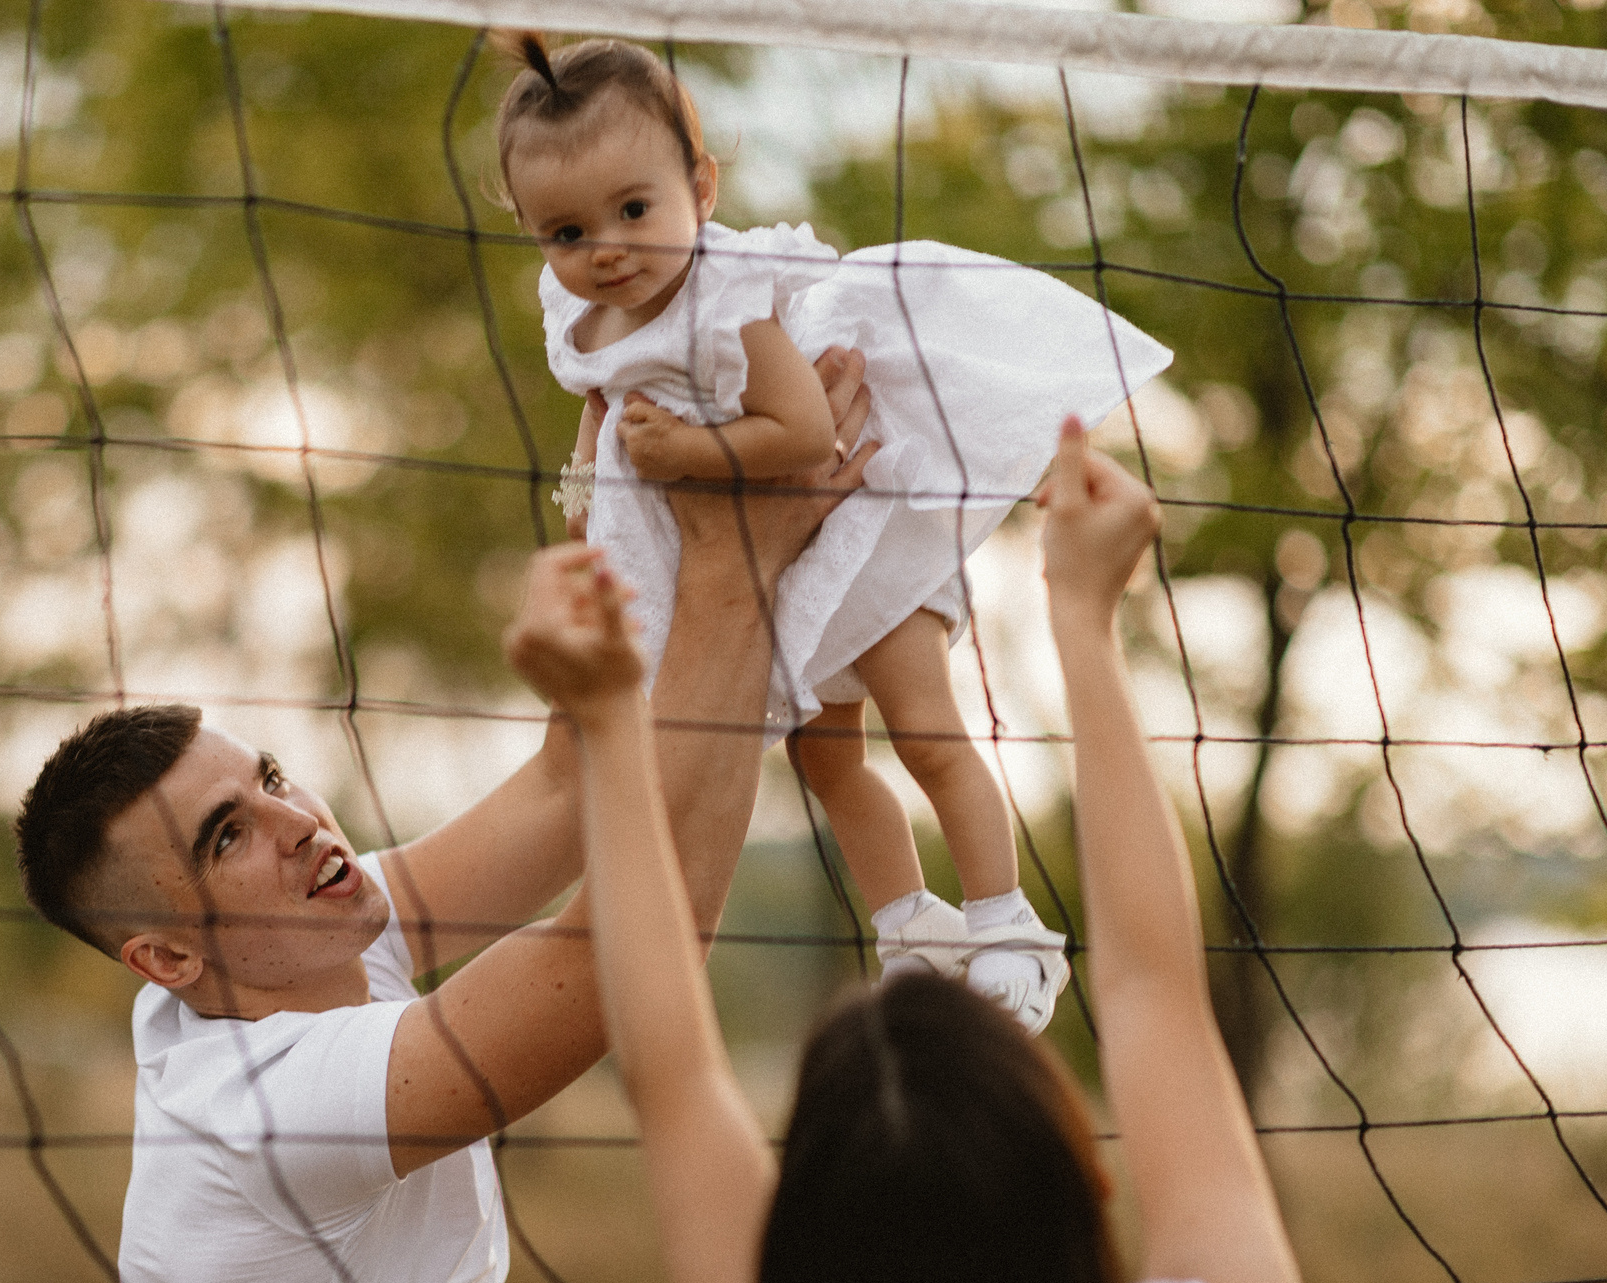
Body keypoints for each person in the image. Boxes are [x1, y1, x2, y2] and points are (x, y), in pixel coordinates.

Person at [11, 355, 882, 1283]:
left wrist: (636, 524)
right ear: (167, 950)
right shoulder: (273, 1100)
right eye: (230, 833)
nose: (301, 822)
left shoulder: (298, 954)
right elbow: (629, 956)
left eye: (271, 777)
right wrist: (736, 571)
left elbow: (559, 780)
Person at [503, 417, 1394, 1283]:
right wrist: (1082, 620)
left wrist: (600, 720)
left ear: (796, 1254)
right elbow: (1150, 997)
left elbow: (673, 1074)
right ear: (1087, 1193)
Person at [495, 33, 1174, 1031]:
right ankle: (908, 930)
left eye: (635, 210)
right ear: (530, 232)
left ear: (701, 186)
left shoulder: (730, 303)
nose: (606, 248)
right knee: (825, 762)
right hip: (789, 574)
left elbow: (801, 433)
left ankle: (1008, 927)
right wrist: (592, 487)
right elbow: (599, 402)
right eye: (565, 231)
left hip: (865, 536)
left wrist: (685, 453)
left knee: (926, 732)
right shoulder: (585, 314)